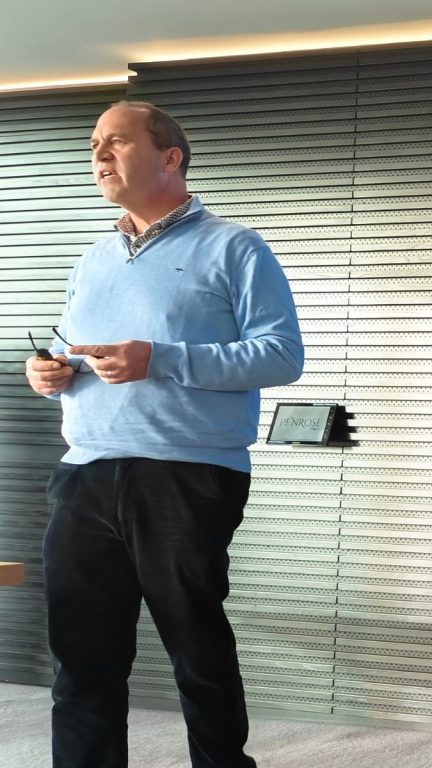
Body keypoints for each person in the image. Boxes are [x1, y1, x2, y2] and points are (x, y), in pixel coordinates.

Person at [24, 101, 304, 768]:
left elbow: (280, 355)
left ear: (170, 157)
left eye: (116, 142)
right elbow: (73, 350)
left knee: (196, 651)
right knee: (80, 660)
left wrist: (161, 358)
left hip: (186, 473)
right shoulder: (92, 259)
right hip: (84, 474)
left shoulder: (234, 247)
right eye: (94, 144)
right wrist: (48, 371)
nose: (99, 155)